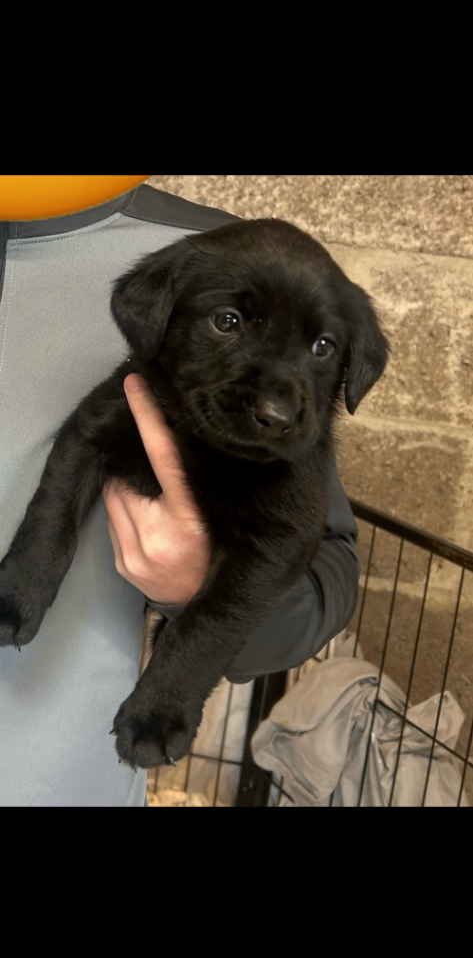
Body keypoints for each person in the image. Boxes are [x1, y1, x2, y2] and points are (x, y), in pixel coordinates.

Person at [0, 182, 360, 807]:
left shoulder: (200, 251)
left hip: (63, 780)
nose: (277, 404)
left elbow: (322, 566)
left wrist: (193, 591)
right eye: (229, 324)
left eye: (322, 349)